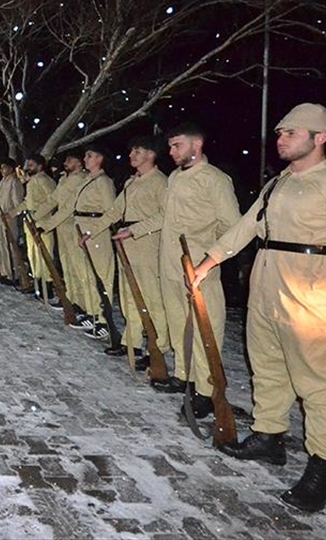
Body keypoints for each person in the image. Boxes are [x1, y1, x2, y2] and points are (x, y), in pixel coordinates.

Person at [194, 103, 326, 513]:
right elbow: (247, 226)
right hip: (266, 283)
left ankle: (323, 470)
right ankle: (269, 436)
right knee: (268, 364)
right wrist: (208, 261)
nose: (281, 138)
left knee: (322, 383)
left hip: (314, 290)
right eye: (280, 132)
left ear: (320, 138)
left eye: (291, 133)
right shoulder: (277, 183)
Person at [123, 123, 240, 418]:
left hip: (199, 267)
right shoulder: (175, 178)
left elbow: (232, 226)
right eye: (171, 146)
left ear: (196, 145)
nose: (171, 152)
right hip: (170, 265)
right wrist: (134, 230)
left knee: (204, 330)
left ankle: (206, 390)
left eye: (177, 146)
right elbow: (165, 216)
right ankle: (184, 375)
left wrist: (211, 259)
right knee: (178, 324)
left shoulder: (214, 180)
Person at [86, 135, 168, 366]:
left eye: (137, 151)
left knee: (150, 296)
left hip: (147, 242)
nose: (131, 155)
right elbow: (114, 211)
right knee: (128, 294)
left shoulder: (160, 182)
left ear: (151, 154)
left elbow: (165, 215)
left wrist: (135, 230)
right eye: (131, 151)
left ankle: (158, 347)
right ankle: (131, 341)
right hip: (126, 241)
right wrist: (91, 232)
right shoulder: (132, 182)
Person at [74, 145, 118, 342]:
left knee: (102, 276)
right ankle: (93, 312)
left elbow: (111, 212)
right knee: (89, 275)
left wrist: (92, 231)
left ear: (100, 159)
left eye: (90, 155)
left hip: (96, 232)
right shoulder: (88, 180)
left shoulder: (104, 182)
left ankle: (104, 320)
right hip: (84, 229)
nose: (85, 158)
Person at [44, 154, 91, 320]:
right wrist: (37, 218)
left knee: (80, 268)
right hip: (61, 227)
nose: (65, 163)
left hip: (73, 226)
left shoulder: (82, 179)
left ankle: (87, 306)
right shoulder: (64, 178)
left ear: (78, 162)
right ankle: (72, 299)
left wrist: (47, 224)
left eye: (69, 160)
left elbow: (68, 208)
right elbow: (53, 199)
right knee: (67, 265)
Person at [19, 156, 57, 297]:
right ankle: (37, 282)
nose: (28, 167)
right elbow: (27, 202)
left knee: (45, 253)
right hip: (31, 219)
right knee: (33, 254)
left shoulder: (45, 180)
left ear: (40, 166)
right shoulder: (32, 182)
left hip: (42, 220)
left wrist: (37, 216)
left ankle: (47, 286)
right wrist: (12, 213)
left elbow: (53, 200)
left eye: (31, 164)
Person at [0, 159, 25, 285]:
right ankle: (5, 272)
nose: (2, 170)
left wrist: (12, 214)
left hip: (9, 220)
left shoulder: (14, 182)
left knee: (11, 248)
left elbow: (18, 203)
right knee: (2, 248)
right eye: (1, 168)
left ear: (11, 168)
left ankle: (14, 275)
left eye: (4, 168)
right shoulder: (2, 182)